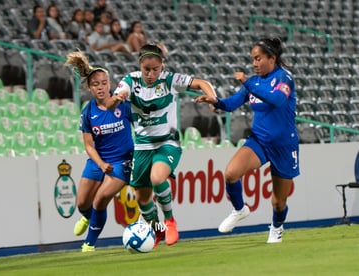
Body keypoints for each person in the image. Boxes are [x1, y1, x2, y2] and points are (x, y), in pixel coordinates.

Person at [106, 44, 217, 247]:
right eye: (146, 69)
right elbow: (112, 101)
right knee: (142, 198)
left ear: (161, 66)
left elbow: (202, 82)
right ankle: (157, 231)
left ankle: (170, 221)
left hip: (167, 142)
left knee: (157, 178)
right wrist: (117, 98)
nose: (150, 73)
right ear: (140, 65)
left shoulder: (170, 80)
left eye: (155, 69)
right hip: (142, 146)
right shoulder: (130, 80)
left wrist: (213, 98)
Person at [195, 37, 300, 243]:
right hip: (259, 141)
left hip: (284, 146)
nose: (254, 63)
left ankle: (277, 228)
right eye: (253, 59)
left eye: (258, 58)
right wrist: (215, 101)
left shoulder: (284, 77)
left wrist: (248, 82)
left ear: (272, 58)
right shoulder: (254, 82)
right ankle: (239, 209)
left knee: (278, 202)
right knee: (231, 173)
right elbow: (232, 104)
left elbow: (277, 100)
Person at [64, 50, 134, 252]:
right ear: (89, 88)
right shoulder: (88, 112)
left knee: (100, 199)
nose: (101, 87)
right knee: (82, 202)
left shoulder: (124, 105)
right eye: (96, 84)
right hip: (99, 160)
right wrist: (101, 164)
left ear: (110, 84)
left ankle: (89, 244)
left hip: (122, 162)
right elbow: (88, 144)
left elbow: (141, 127)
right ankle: (87, 217)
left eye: (104, 83)